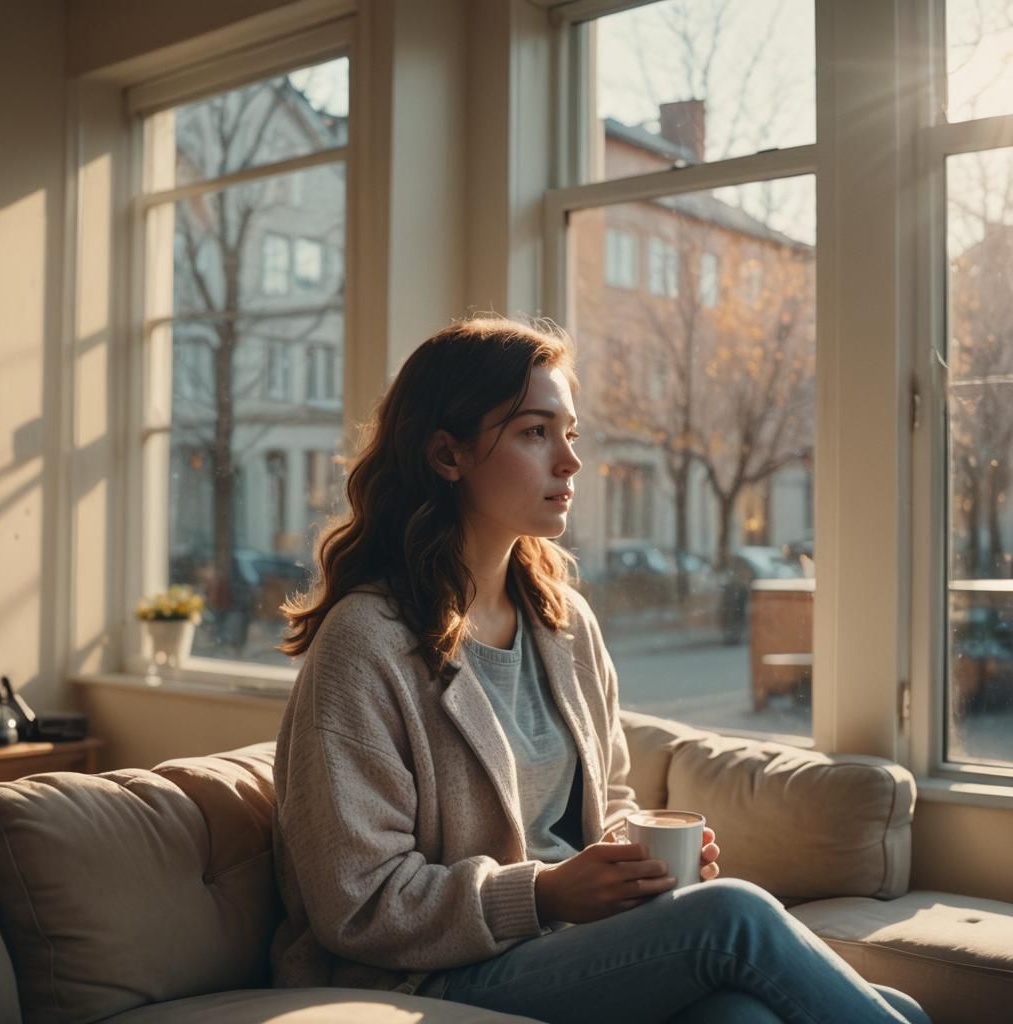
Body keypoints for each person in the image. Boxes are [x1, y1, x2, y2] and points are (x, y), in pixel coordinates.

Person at [271, 317, 931, 1024]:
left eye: (571, 434)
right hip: (432, 974)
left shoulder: (564, 623)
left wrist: (635, 867)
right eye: (535, 432)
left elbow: (606, 804)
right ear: (447, 453)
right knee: (733, 917)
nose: (570, 462)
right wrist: (545, 893)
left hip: (576, 947)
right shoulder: (365, 644)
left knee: (760, 1016)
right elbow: (358, 900)